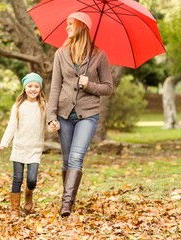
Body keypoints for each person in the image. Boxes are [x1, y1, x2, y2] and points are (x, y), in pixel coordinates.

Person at [47, 12, 113, 217]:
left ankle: (66, 205)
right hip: (65, 114)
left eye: (70, 24)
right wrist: (51, 116)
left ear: (82, 26)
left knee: (76, 158)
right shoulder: (60, 54)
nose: (67, 27)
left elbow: (108, 88)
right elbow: (55, 87)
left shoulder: (99, 56)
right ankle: (70, 199)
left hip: (88, 114)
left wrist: (90, 85)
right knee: (67, 160)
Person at [0, 72, 46, 219]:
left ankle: (28, 195)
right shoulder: (18, 106)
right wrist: (4, 144)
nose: (33, 89)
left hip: (35, 149)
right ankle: (15, 209)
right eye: (30, 86)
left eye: (36, 86)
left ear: (40, 89)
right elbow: (11, 126)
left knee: (31, 179)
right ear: (25, 88)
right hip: (19, 147)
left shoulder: (43, 106)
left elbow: (49, 122)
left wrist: (54, 124)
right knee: (17, 178)